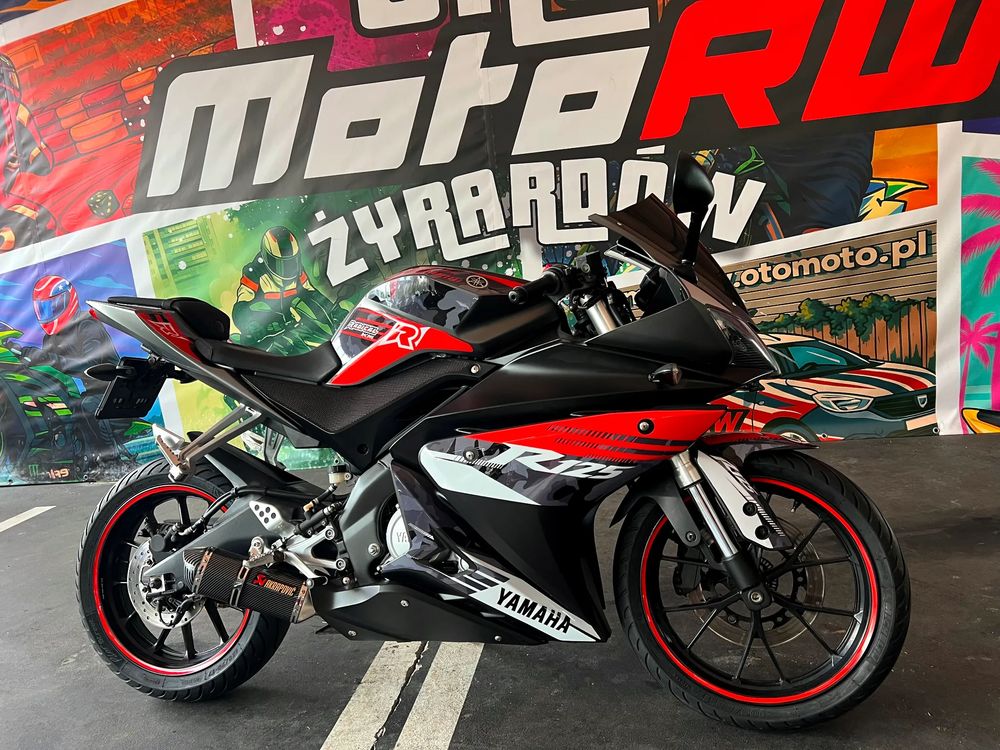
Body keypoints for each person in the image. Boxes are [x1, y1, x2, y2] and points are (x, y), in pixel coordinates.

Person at [232, 226, 340, 354]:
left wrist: (335, 311)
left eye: (291, 262)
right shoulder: (255, 273)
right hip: (264, 333)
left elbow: (312, 294)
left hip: (293, 327)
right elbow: (241, 305)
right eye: (279, 263)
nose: (287, 268)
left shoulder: (297, 271)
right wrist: (252, 324)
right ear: (267, 257)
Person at [0, 52, 57, 251]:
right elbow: (44, 161)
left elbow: (42, 161)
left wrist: (21, 158)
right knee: (42, 225)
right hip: (8, 207)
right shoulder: (16, 110)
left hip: (8, 206)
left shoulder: (16, 111)